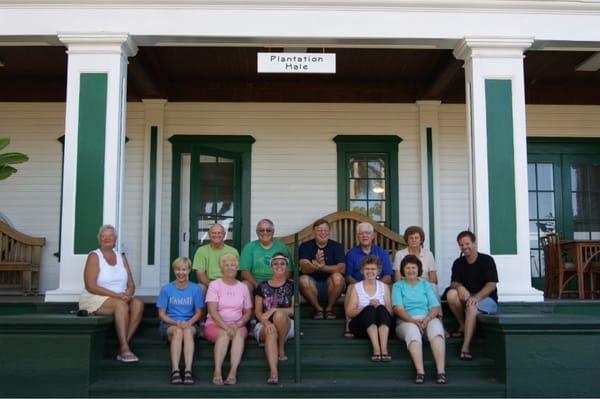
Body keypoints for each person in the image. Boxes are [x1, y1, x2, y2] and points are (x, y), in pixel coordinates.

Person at [79, 224, 144, 363]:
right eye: (104, 236)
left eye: (111, 236)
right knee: (121, 305)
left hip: (118, 298)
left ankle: (123, 343)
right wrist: (119, 296)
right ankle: (125, 348)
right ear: (99, 239)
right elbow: (90, 286)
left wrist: (129, 293)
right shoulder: (94, 256)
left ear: (115, 239)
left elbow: (131, 284)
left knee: (138, 303)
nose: (107, 238)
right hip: (95, 298)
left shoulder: (121, 257)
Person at [392, 255, 446, 385]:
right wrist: (413, 321)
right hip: (405, 321)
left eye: (413, 267)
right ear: (403, 270)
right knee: (413, 332)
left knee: (437, 330)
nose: (411, 270)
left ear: (419, 269)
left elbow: (434, 306)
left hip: (427, 318)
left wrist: (427, 319)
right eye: (407, 267)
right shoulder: (398, 286)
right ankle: (420, 372)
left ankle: (441, 371)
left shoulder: (425, 285)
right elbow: (398, 309)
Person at [446, 231, 499, 361]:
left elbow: (491, 284)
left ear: (474, 243)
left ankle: (465, 346)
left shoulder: (487, 260)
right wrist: (459, 287)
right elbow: (453, 282)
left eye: (467, 243)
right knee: (451, 294)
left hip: (487, 299)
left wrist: (476, 298)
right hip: (468, 297)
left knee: (471, 307)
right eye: (461, 244)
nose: (464, 247)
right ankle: (463, 325)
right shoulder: (458, 263)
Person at [205, 253, 253, 385]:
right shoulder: (215, 285)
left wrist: (238, 324)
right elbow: (212, 311)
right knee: (224, 336)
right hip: (215, 325)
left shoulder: (243, 287)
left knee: (238, 336)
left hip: (238, 325)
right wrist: (226, 327)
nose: (230, 268)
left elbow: (248, 311)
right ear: (221, 268)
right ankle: (218, 371)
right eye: (226, 265)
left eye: (233, 265)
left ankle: (233, 372)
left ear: (237, 267)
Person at [156, 257, 204, 385]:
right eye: (178, 269)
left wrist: (189, 322)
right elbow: (161, 314)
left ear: (189, 271)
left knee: (187, 332)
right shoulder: (166, 289)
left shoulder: (195, 289)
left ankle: (188, 370)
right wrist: (176, 323)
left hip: (190, 323)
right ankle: (175, 370)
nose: (181, 272)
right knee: (178, 331)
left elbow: (199, 312)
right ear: (174, 271)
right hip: (169, 324)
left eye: (184, 269)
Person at [254, 252, 295, 385]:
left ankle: (281, 347)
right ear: (271, 267)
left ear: (286, 267)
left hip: (286, 324)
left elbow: (294, 310)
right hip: (264, 324)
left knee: (279, 315)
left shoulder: (292, 285)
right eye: (276, 263)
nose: (279, 266)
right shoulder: (262, 286)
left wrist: (274, 309)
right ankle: (273, 372)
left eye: (282, 263)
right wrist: (266, 323)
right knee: (271, 332)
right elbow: (258, 312)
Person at [344, 255, 393, 362]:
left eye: (373, 269)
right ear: (362, 270)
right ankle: (376, 349)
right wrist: (366, 307)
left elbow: (390, 312)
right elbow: (350, 312)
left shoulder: (384, 287)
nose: (370, 271)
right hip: (362, 327)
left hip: (382, 327)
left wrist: (379, 305)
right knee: (370, 309)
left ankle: (384, 350)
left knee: (380, 308)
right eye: (367, 269)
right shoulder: (356, 287)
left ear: (378, 271)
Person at [298, 219, 345, 320]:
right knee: (303, 280)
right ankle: (318, 309)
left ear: (329, 232)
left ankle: (329, 309)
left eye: (325, 230)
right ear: (313, 232)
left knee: (338, 277)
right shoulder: (305, 246)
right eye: (319, 230)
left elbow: (341, 268)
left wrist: (322, 267)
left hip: (331, 286)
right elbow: (304, 267)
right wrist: (315, 265)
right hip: (311, 286)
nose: (323, 233)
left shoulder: (337, 246)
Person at [239, 219, 293, 292]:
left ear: (273, 232)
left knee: (293, 285)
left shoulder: (282, 247)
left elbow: (288, 271)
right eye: (261, 230)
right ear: (257, 232)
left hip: (279, 283)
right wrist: (257, 285)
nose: (265, 233)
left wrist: (278, 284)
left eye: (268, 230)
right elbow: (244, 272)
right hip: (255, 283)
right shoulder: (249, 247)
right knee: (244, 286)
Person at [192, 223, 239, 294]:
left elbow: (235, 272)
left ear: (224, 234)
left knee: (242, 286)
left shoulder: (233, 251)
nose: (216, 235)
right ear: (209, 234)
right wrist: (213, 286)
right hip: (208, 283)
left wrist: (224, 285)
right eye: (213, 233)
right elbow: (200, 274)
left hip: (228, 281)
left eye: (219, 233)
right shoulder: (201, 251)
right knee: (200, 288)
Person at [393, 226, 438, 293]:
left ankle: (434, 303)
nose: (414, 240)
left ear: (421, 240)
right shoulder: (400, 254)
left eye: (416, 238)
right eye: (411, 238)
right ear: (407, 240)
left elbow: (433, 278)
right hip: (406, 286)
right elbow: (398, 278)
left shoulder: (428, 254)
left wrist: (425, 288)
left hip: (424, 287)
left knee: (433, 286)